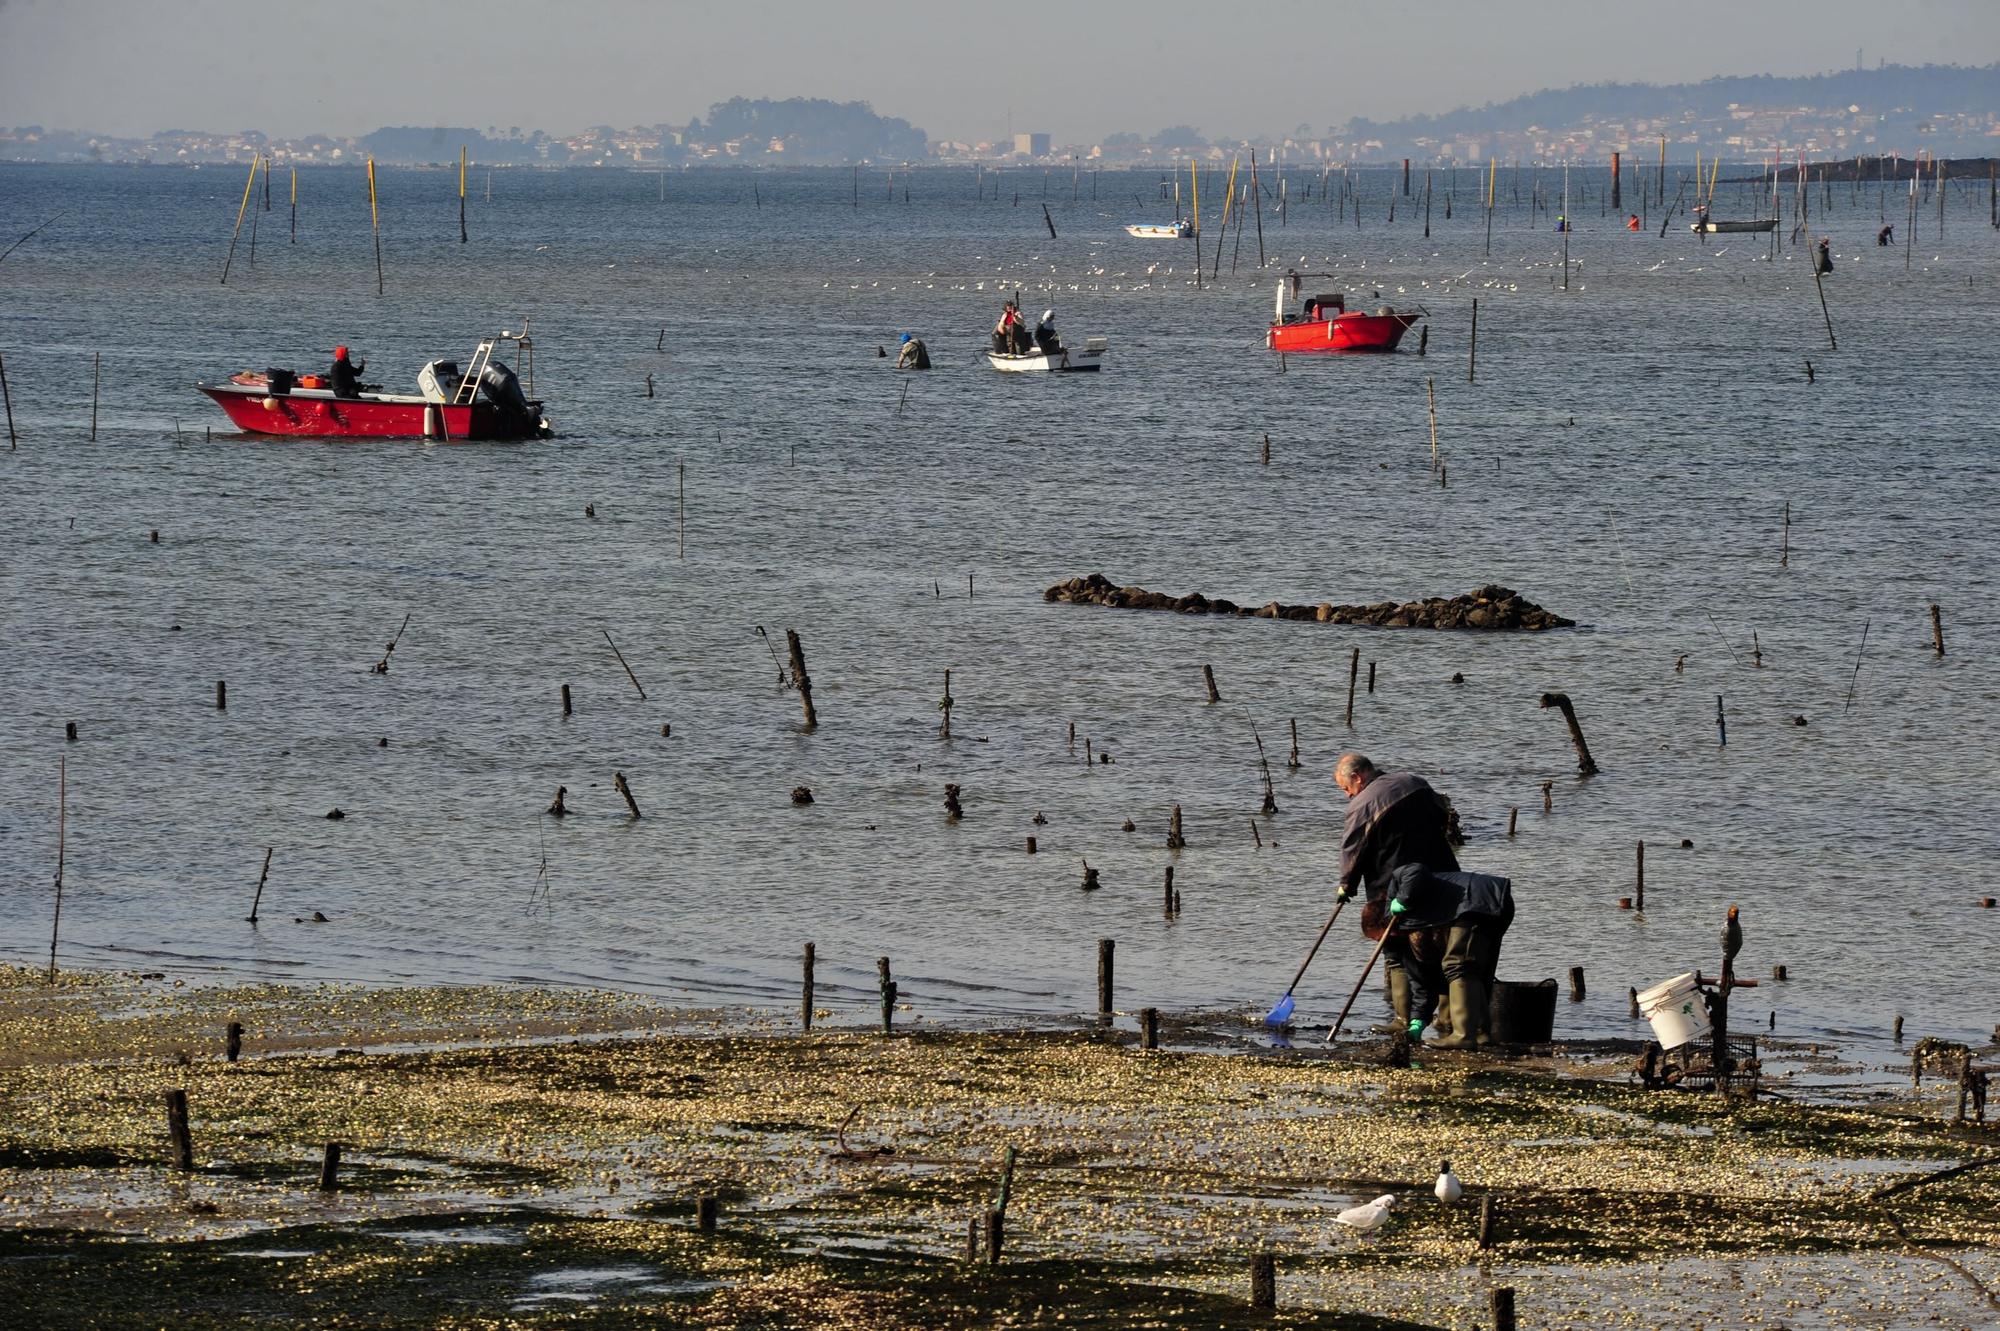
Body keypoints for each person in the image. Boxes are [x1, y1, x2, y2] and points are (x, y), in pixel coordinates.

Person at [1334, 753, 1460, 1036]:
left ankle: (1403, 1020)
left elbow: (1352, 847)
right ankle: (1448, 1019)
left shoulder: (1362, 803)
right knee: (1444, 950)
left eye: (1345, 788)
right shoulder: (1415, 782)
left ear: (1358, 777)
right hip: (1443, 876)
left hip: (1391, 884)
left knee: (1396, 951)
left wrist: (1346, 884)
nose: (1346, 795)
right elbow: (1444, 815)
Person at [1383, 863, 1515, 1048]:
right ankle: (1480, 1034)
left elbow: (1416, 870)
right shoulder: (1406, 946)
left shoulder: (1394, 893)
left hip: (1475, 900)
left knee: (1458, 965)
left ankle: (1463, 1036)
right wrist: (1417, 1022)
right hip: (1494, 902)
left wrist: (1402, 900)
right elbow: (1423, 985)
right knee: (1475, 971)